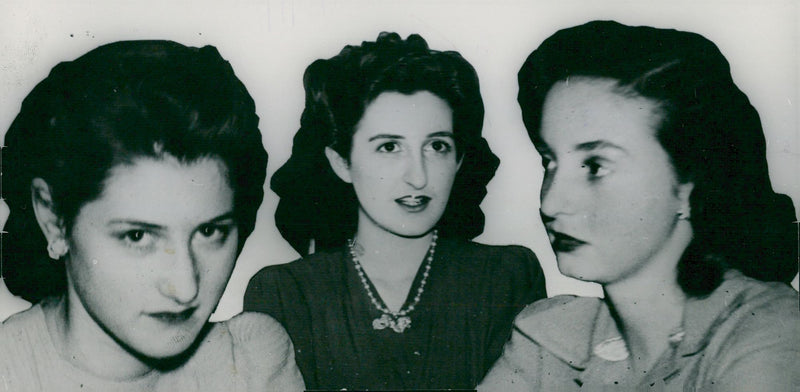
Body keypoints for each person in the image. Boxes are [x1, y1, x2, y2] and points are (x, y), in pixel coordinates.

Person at [479, 20, 800, 391]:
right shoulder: (552, 337)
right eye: (548, 161)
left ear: (687, 183)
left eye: (595, 167)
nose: (551, 202)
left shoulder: (769, 333)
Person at [244, 32, 546, 390]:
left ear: (459, 158)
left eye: (437, 146)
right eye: (389, 147)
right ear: (341, 162)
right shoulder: (284, 292)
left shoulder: (506, 277)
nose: (418, 177)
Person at [0, 40, 304, 391]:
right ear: (53, 218)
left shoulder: (251, 362)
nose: (185, 287)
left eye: (209, 232)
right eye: (138, 236)